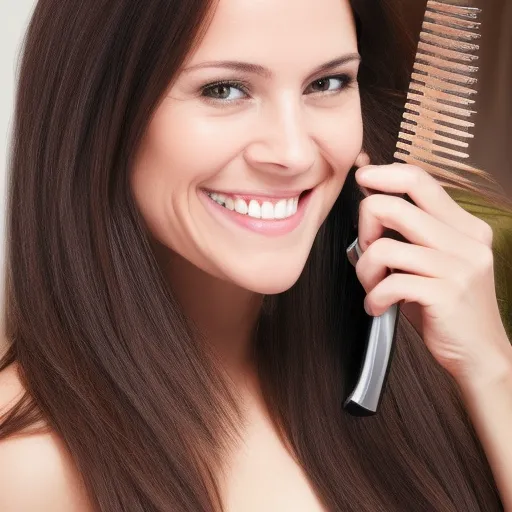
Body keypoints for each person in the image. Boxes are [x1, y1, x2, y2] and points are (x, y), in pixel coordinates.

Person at [0, 0, 511, 510]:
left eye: (327, 83)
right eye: (223, 90)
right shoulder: (30, 468)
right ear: (97, 113)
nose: (294, 153)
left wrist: (492, 368)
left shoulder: (425, 357)